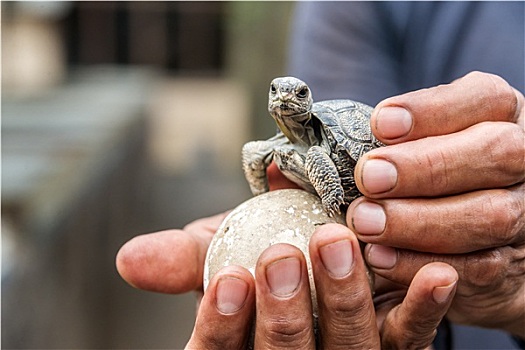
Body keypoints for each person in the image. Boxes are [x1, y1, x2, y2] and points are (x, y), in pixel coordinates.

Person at [116, 2, 525, 349]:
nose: (286, 100)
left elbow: (324, 165)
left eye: (298, 95)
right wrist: (262, 203)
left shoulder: (319, 150)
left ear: (307, 102)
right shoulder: (282, 142)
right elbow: (260, 159)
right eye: (279, 92)